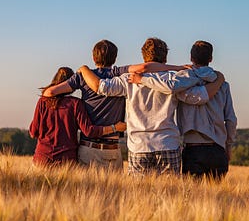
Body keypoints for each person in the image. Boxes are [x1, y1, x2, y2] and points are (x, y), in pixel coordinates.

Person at [79, 38, 224, 176]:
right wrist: (218, 80)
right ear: (165, 59)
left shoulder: (128, 79)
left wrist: (84, 69)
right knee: (170, 196)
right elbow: (197, 97)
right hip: (168, 144)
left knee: (139, 197)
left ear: (144, 57)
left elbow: (102, 87)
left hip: (139, 145)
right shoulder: (173, 79)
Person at [42, 39, 184, 170]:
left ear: (93, 57)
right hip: (113, 149)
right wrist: (178, 68)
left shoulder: (82, 76)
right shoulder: (118, 73)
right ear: (115, 58)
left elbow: (49, 93)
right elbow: (145, 67)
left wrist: (74, 100)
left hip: (88, 147)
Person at [129, 40, 237, 181]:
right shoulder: (222, 85)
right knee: (216, 199)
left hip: (193, 150)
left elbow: (171, 87)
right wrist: (228, 146)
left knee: (191, 199)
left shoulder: (182, 82)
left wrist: (142, 79)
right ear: (211, 59)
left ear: (191, 58)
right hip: (218, 149)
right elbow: (231, 119)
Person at [29, 67, 126, 166]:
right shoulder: (76, 103)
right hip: (66, 160)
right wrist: (115, 127)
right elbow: (89, 131)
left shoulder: (43, 101)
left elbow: (33, 132)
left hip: (42, 158)